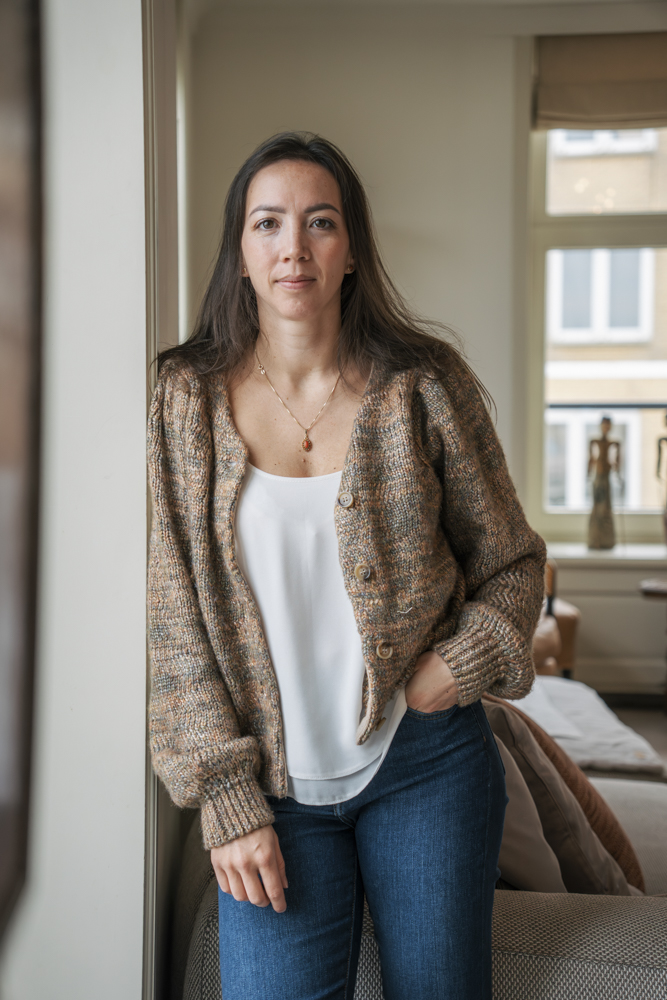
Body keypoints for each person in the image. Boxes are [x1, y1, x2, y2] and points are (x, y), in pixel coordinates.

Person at [147, 132, 545, 1000]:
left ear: (351, 248)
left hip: (427, 769)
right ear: (241, 252)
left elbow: (514, 564)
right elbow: (173, 622)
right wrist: (226, 797)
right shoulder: (182, 400)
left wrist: (453, 667)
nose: (294, 247)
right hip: (271, 793)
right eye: (268, 223)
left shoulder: (425, 386)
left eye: (320, 222)